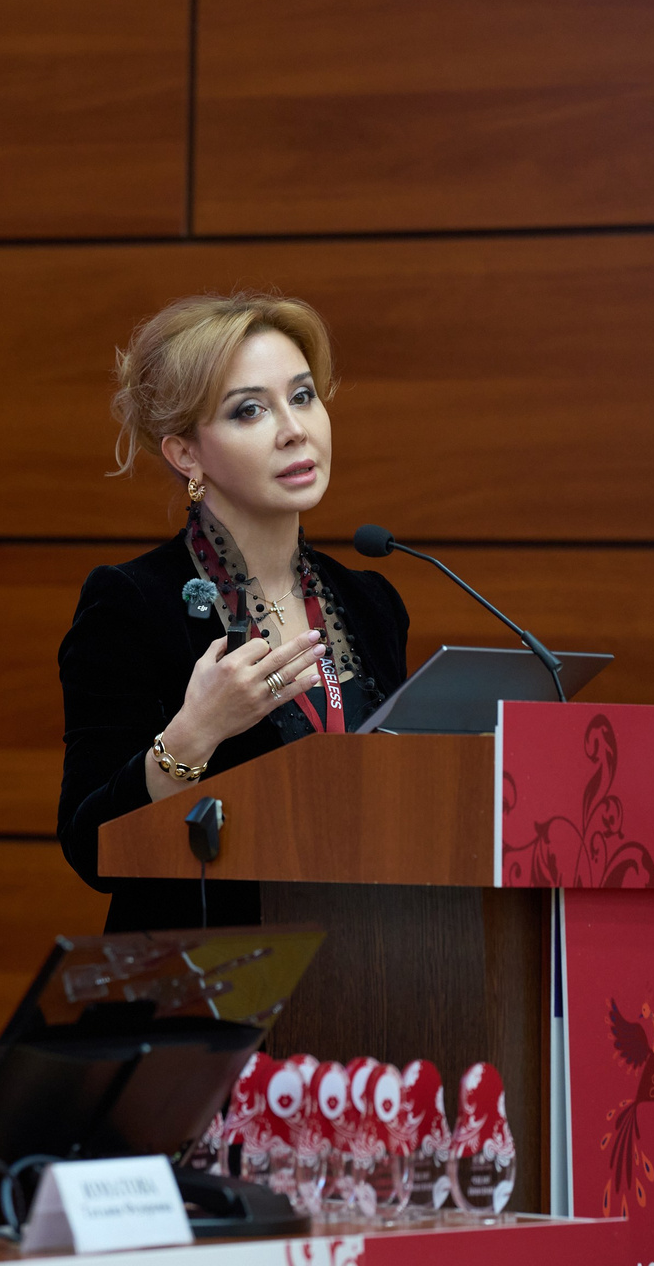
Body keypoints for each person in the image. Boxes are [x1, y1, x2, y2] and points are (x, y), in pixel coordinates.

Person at [57, 293, 410, 932]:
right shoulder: (131, 601)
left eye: (302, 396)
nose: (294, 429)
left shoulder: (370, 602)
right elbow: (90, 847)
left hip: (363, 963)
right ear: (186, 454)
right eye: (250, 410)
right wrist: (196, 732)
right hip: (209, 976)